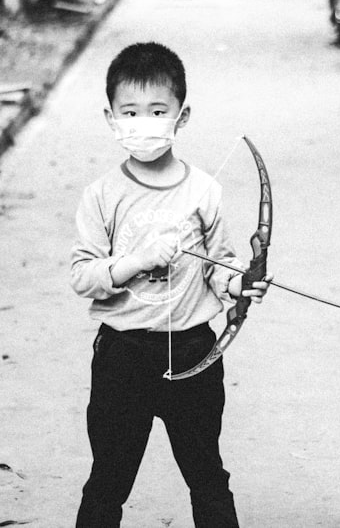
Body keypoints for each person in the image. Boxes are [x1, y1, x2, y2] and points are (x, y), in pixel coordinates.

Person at [69, 42, 270, 527]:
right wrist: (134, 261)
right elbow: (84, 275)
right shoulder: (101, 195)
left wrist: (239, 286)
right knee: (108, 481)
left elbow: (219, 266)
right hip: (122, 357)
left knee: (207, 476)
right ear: (111, 118)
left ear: (181, 117)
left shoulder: (204, 190)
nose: (143, 122)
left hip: (195, 351)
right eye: (130, 112)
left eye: (157, 110)